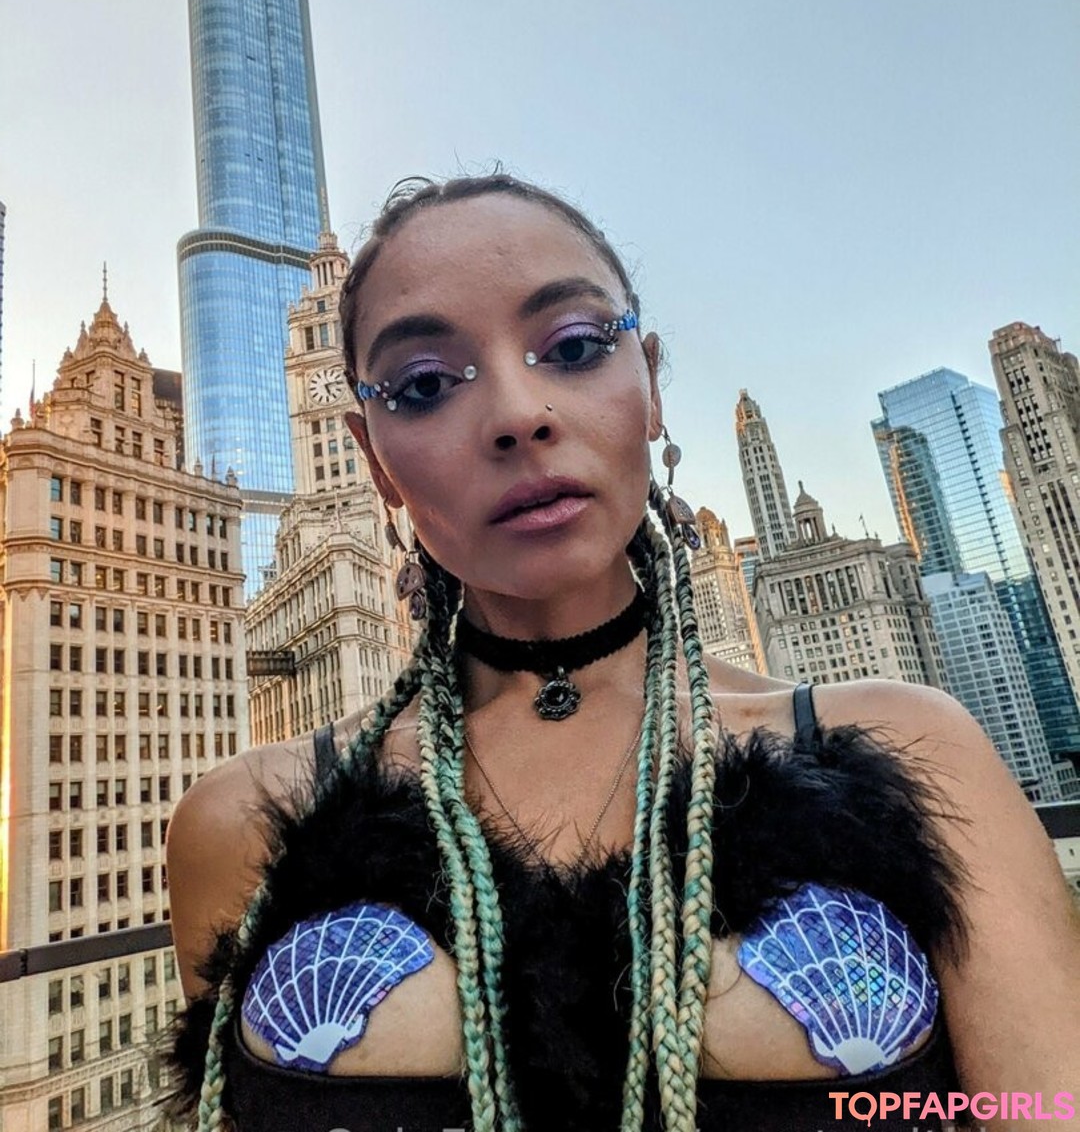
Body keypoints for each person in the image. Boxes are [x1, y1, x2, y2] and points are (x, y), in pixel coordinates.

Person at [168, 173, 1079, 1132]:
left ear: (649, 388)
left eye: (572, 347)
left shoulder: (913, 750)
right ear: (373, 457)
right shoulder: (244, 822)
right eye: (426, 383)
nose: (518, 413)